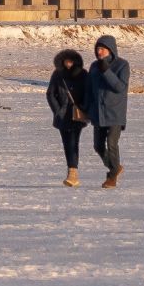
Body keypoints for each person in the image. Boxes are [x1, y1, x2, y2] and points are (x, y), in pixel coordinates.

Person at [83, 34, 129, 188]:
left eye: (102, 49)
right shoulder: (94, 66)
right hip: (98, 113)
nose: (99, 52)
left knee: (112, 142)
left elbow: (120, 88)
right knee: (98, 146)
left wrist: (106, 72)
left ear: (110, 50)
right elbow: (89, 89)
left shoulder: (122, 65)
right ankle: (115, 167)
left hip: (115, 113)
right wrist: (86, 108)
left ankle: (112, 176)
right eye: (97, 49)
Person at [47, 48, 89, 186]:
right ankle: (72, 172)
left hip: (77, 115)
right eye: (66, 61)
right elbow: (50, 94)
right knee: (67, 143)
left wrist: (83, 107)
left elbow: (89, 93)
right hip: (62, 116)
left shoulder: (83, 74)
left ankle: (72, 173)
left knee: (73, 141)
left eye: (71, 61)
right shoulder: (57, 74)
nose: (68, 64)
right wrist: (57, 110)